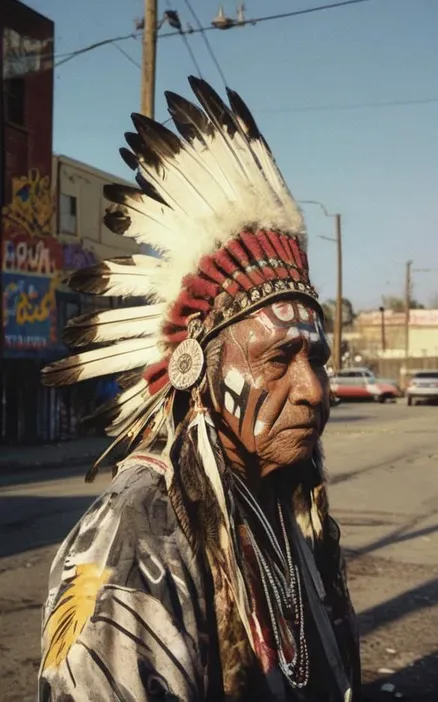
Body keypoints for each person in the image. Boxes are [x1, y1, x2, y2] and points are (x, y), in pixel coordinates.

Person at [39, 77, 360, 701]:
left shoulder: (275, 499)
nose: (314, 391)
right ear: (194, 367)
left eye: (317, 360)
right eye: (278, 358)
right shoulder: (136, 535)